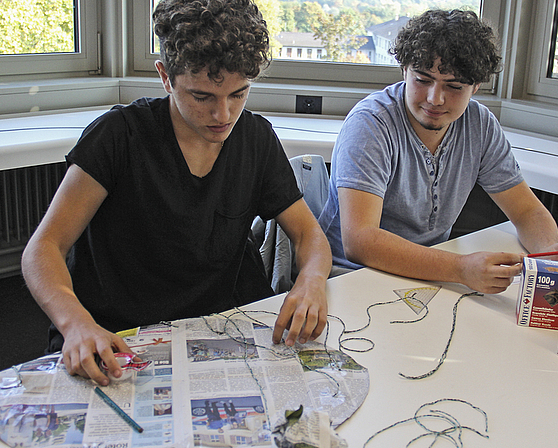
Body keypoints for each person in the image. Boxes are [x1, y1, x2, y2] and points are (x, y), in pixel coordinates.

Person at [21, 0, 331, 386]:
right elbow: (43, 247)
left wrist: (312, 282)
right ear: (165, 77)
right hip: (121, 334)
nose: (223, 115)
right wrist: (76, 323)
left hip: (220, 326)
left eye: (239, 93)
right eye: (202, 96)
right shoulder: (119, 136)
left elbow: (308, 235)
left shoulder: (255, 138)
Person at [318, 9, 558, 293]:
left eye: (454, 86)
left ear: (476, 87)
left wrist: (549, 252)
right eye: (422, 80)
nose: (435, 98)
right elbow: (360, 241)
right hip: (351, 278)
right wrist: (460, 268)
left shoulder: (480, 124)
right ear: (404, 71)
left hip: (428, 278)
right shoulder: (371, 124)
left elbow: (526, 211)